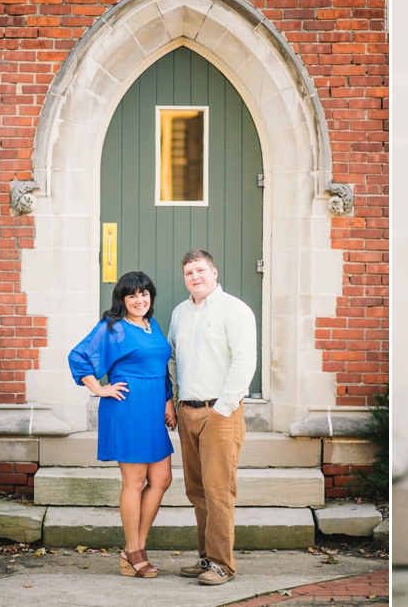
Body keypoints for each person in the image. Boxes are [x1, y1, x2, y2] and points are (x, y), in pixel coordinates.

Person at [68, 271, 175, 579]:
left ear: (151, 296)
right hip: (128, 409)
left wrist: (168, 401)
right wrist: (99, 388)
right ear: (122, 300)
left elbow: (160, 368)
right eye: (132, 295)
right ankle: (134, 552)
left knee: (162, 478)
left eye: (144, 294)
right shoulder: (112, 328)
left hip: (154, 407)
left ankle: (134, 549)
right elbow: (79, 357)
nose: (139, 300)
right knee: (135, 481)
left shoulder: (152, 325)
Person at [168, 249, 257, 586]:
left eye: (201, 270)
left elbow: (244, 360)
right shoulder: (180, 312)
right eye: (189, 272)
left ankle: (223, 565)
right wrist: (175, 400)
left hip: (220, 411)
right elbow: (173, 358)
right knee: (197, 491)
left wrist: (224, 407)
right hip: (187, 411)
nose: (195, 277)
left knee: (219, 491)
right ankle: (206, 558)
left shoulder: (234, 310)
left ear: (214, 273)